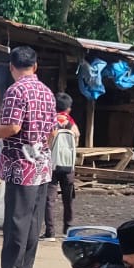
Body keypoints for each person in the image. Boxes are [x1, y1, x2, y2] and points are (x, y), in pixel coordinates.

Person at [0, 46, 58, 268]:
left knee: (16, 220)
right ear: (35, 66)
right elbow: (53, 131)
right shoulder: (47, 93)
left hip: (21, 165)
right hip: (42, 164)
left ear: (11, 67)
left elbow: (12, 127)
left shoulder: (16, 91)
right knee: (33, 220)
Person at [44, 92, 79, 239]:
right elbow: (76, 141)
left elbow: (46, 142)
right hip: (68, 166)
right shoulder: (72, 124)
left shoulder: (50, 122)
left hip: (51, 165)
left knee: (49, 200)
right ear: (68, 109)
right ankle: (68, 230)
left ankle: (50, 232)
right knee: (68, 198)